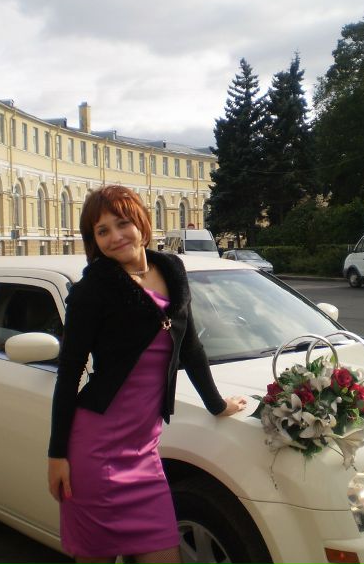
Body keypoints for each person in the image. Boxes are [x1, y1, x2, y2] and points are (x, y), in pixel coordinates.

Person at [47, 185, 246, 564]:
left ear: (141, 222)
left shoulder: (172, 271)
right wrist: (57, 455)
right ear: (93, 240)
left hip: (145, 454)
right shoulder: (92, 291)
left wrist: (218, 405)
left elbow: (190, 347)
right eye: (102, 230)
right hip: (95, 452)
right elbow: (68, 374)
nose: (115, 236)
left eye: (122, 223)